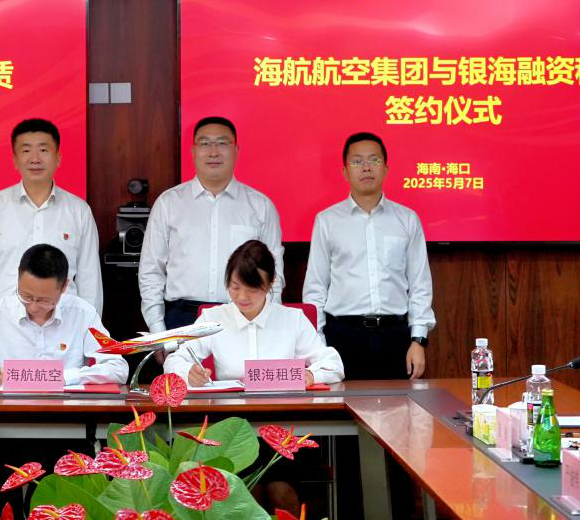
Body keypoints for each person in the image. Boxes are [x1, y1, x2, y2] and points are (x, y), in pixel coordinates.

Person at [302, 132, 436, 380]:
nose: (366, 167)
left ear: (385, 168)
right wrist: (318, 344)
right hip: (342, 336)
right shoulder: (327, 221)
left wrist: (418, 339)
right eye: (357, 161)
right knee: (340, 404)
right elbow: (315, 288)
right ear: (345, 171)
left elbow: (420, 284)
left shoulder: (407, 219)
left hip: (395, 336)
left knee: (399, 404)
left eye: (374, 160)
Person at [138, 116, 285, 335]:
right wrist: (158, 328)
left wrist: (266, 324)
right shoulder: (169, 203)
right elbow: (151, 270)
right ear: (193, 151)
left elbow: (275, 274)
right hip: (182, 318)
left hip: (242, 315)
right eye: (205, 143)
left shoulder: (260, 206)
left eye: (222, 143)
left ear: (236, 150)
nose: (213, 152)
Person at [0, 118, 102, 327]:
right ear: (15, 160)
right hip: (2, 325)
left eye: (43, 150)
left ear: (58, 158)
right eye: (26, 151)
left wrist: (89, 330)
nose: (35, 159)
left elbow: (90, 279)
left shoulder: (79, 210)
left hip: (63, 325)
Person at [0, 243, 128, 386]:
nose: (33, 307)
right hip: (6, 413)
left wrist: (66, 377)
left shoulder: (83, 314)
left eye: (44, 300)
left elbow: (118, 368)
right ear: (18, 278)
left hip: (68, 413)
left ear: (64, 287)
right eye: (26, 296)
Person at [164, 240, 343, 386]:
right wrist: (188, 373)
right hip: (229, 412)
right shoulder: (213, 319)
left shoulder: (293, 319)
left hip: (283, 409)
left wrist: (311, 374)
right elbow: (173, 361)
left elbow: (333, 364)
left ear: (271, 282)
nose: (242, 297)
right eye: (235, 287)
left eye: (252, 289)